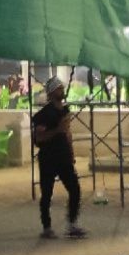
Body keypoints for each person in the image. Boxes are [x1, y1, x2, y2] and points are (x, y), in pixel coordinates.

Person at [33, 76, 86, 239]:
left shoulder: (65, 111)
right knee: (47, 193)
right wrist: (57, 130)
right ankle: (47, 227)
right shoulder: (43, 115)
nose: (62, 91)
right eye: (58, 88)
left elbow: (67, 133)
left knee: (75, 189)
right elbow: (39, 139)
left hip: (63, 157)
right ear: (51, 92)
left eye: (62, 88)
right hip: (48, 158)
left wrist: (71, 152)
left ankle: (72, 223)